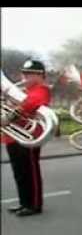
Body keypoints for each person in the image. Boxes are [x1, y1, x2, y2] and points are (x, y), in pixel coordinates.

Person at [1, 60, 51, 216]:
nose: (24, 77)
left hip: (30, 136)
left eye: (29, 74)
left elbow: (32, 103)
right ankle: (24, 203)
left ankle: (35, 204)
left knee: (30, 171)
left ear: (40, 75)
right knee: (19, 172)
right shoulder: (22, 91)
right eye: (24, 73)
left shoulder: (42, 89)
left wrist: (10, 116)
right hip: (14, 135)